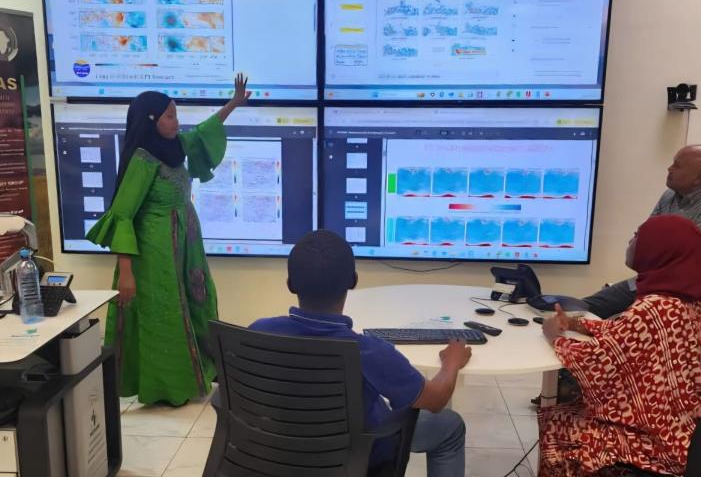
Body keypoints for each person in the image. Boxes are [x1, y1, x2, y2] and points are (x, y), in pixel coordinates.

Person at [248, 230, 471, 477]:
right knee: (450, 427)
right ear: (353, 281)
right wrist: (451, 363)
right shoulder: (369, 351)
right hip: (359, 455)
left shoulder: (258, 333)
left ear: (290, 284)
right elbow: (436, 399)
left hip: (278, 451)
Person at [87, 74, 251, 406]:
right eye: (170, 115)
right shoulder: (143, 160)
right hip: (154, 254)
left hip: (185, 244)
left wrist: (233, 104)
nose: (177, 122)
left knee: (197, 301)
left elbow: (205, 131)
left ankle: (199, 374)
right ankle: (166, 388)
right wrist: (127, 273)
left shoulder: (175, 147)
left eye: (176, 114)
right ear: (151, 120)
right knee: (165, 316)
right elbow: (123, 216)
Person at [537, 215, 701, 476]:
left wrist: (554, 336)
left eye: (638, 236)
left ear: (658, 250)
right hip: (694, 431)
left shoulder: (653, 308)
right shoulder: (692, 301)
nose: (632, 241)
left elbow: (598, 361)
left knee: (557, 420)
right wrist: (578, 325)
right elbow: (625, 333)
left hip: (658, 444)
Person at [584, 144, 701, 319]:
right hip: (650, 283)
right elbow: (644, 243)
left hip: (682, 298)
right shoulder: (669, 196)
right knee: (583, 308)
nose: (669, 169)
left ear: (698, 177)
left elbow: (686, 268)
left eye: (677, 165)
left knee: (612, 328)